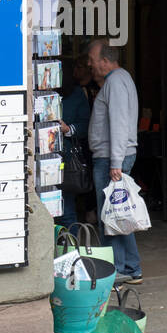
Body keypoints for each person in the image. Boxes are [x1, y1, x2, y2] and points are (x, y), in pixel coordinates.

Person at [87, 37, 142, 284]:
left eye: (92, 60)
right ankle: (131, 268)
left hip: (112, 158)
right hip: (113, 157)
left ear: (106, 61)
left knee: (110, 217)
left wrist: (115, 164)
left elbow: (119, 124)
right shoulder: (118, 80)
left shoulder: (116, 82)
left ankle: (117, 270)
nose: (90, 64)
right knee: (118, 214)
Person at [56, 52, 94, 229]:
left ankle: (71, 253)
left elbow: (86, 125)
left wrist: (68, 129)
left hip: (66, 158)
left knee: (66, 209)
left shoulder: (77, 93)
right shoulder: (40, 91)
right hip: (39, 156)